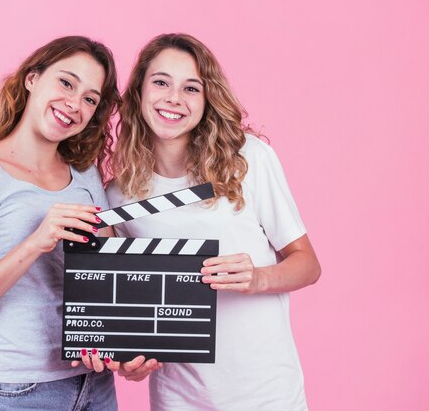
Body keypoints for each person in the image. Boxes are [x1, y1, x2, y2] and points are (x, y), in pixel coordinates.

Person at [83, 33, 321, 410]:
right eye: (161, 82)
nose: (174, 98)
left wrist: (258, 277)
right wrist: (129, 359)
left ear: (207, 99)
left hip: (266, 392)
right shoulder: (121, 197)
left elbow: (307, 264)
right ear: (140, 92)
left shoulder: (249, 160)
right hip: (179, 398)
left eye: (191, 88)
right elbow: (128, 309)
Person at [0, 36, 121, 411]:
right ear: (32, 78)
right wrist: (36, 241)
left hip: (95, 384)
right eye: (66, 82)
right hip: (19, 391)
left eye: (90, 98)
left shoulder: (85, 176)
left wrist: (129, 348)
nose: (74, 104)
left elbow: (112, 276)